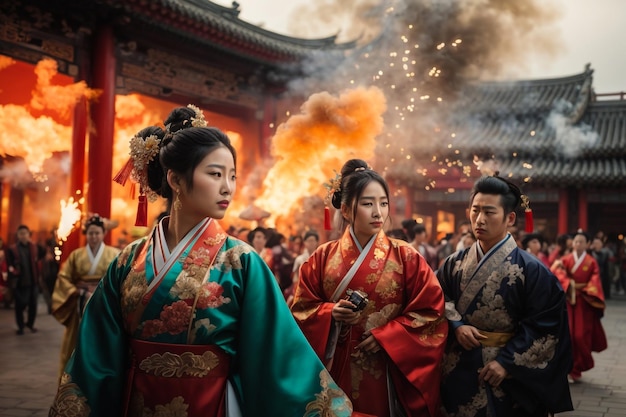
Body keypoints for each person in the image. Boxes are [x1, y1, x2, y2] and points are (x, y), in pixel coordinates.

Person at [49, 105, 354, 417]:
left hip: (214, 404)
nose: (228, 187)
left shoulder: (242, 262)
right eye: (215, 174)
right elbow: (98, 354)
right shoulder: (128, 261)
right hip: (135, 402)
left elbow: (276, 353)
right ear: (176, 180)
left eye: (232, 176)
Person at [291, 159, 447, 417]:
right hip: (336, 367)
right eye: (367, 204)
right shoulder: (321, 257)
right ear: (346, 209)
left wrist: (389, 337)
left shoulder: (406, 256)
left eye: (383, 203)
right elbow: (299, 311)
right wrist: (330, 314)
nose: (378, 212)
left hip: (387, 369)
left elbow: (431, 313)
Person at [437, 175, 573, 417]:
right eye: (475, 211)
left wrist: (507, 363)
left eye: (489, 212)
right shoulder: (453, 263)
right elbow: (435, 296)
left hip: (505, 374)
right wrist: (456, 323)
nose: (479, 219)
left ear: (510, 218)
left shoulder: (533, 271)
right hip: (457, 367)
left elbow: (547, 327)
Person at [51, 214, 120, 378]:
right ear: (86, 235)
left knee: (101, 345)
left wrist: (100, 291)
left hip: (104, 306)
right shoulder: (76, 255)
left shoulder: (115, 254)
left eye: (97, 233)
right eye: (90, 233)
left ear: (103, 234)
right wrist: (77, 291)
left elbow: (120, 280)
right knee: (75, 344)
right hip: (79, 305)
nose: (94, 237)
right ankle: (71, 381)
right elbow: (64, 278)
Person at [551, 230, 608, 383]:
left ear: (588, 244)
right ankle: (569, 369)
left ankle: (579, 367)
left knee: (580, 336)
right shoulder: (565, 259)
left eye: (581, 242)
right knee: (568, 334)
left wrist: (587, 290)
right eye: (576, 241)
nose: (578, 244)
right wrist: (568, 285)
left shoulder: (591, 261)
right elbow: (556, 271)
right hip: (569, 301)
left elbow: (595, 279)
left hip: (584, 302)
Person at [5, 225, 46, 335]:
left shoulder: (35, 247)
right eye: (21, 233)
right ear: (18, 235)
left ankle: (30, 324)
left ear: (29, 234)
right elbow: (10, 265)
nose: (23, 236)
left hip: (33, 281)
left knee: (33, 305)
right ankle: (21, 326)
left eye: (25, 233)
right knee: (20, 305)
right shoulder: (12, 250)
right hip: (20, 282)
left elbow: (43, 254)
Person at [284, 230, 319, 304]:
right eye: (309, 241)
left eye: (313, 241)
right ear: (305, 243)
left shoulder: (320, 257)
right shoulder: (299, 259)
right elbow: (295, 277)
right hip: (302, 288)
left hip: (317, 288)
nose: (311, 243)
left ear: (317, 242)